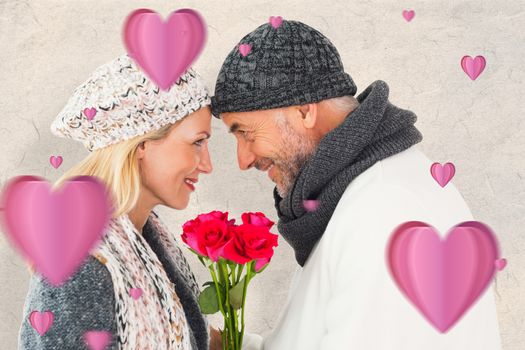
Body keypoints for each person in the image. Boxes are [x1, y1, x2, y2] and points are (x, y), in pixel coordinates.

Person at [210, 19, 502, 349]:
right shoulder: (358, 194)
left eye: (246, 133)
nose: (243, 160)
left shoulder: (384, 214)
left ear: (305, 110)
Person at [18, 54, 222, 349]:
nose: (207, 165)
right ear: (142, 145)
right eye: (197, 142)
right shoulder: (79, 263)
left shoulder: (147, 237)